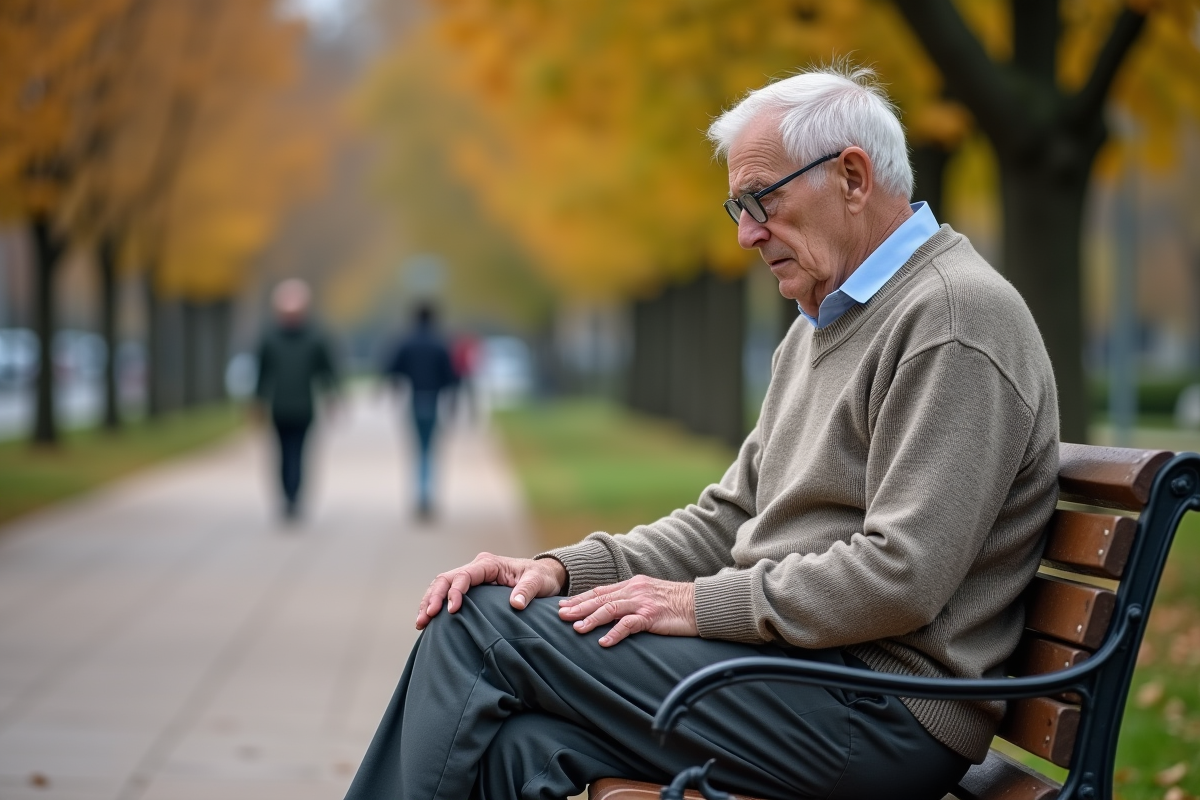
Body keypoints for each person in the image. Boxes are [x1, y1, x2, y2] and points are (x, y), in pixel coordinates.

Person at [345, 64, 1060, 800]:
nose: (748, 234)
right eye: (738, 209)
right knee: (525, 750)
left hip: (876, 709)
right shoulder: (823, 323)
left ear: (852, 176)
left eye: (761, 199)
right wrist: (561, 569)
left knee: (479, 629)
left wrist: (691, 604)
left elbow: (902, 575)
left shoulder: (951, 319)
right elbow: (731, 518)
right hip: (803, 679)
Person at [254, 279, 338, 521]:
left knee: (299, 454)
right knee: (282, 454)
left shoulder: (314, 338)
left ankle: (295, 497)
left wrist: (333, 397)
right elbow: (262, 374)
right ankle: (286, 496)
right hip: (279, 407)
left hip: (304, 407)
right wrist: (257, 402)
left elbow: (326, 371)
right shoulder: (270, 338)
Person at [381, 303, 458, 518]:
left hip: (414, 399)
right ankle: (427, 494)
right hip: (433, 399)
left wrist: (389, 391)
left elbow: (392, 369)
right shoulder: (440, 344)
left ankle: (420, 494)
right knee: (429, 449)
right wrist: (453, 402)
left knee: (418, 448)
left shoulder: (406, 342)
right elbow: (451, 376)